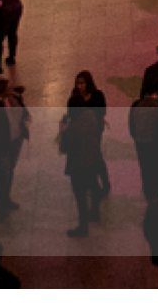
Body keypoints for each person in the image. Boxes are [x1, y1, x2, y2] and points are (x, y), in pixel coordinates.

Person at [60, 71, 110, 236]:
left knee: (80, 194)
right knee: (94, 185)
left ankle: (83, 226)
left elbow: (64, 148)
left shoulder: (72, 129)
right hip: (92, 154)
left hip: (79, 163)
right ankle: (95, 211)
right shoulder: (90, 116)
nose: (80, 86)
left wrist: (63, 130)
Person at [0, 76, 30, 218]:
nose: (11, 90)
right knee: (3, 176)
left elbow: (23, 112)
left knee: (9, 171)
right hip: (0, 146)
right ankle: (1, 207)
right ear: (2, 90)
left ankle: (6, 199)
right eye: (8, 88)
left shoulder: (13, 98)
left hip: (14, 142)